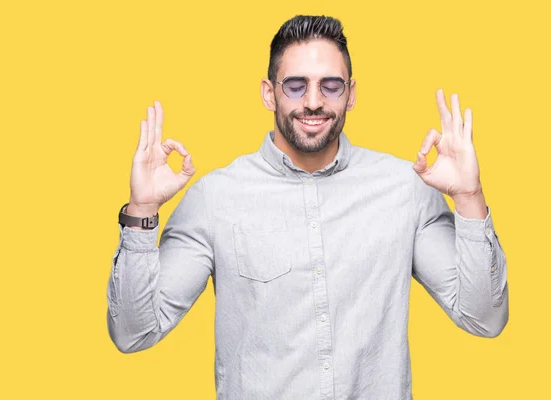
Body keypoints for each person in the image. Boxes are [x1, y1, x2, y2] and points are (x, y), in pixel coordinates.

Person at [106, 14, 508, 400]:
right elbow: (133, 333)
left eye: (330, 85)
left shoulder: (406, 189)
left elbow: (484, 318)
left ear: (351, 93)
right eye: (295, 85)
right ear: (269, 92)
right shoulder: (216, 199)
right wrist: (141, 210)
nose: (313, 102)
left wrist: (469, 197)